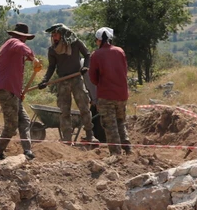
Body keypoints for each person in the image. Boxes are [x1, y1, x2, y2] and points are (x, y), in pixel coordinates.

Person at [36, 24, 93, 144]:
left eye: (55, 34)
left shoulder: (76, 43)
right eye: (52, 35)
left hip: (77, 79)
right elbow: (51, 67)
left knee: (84, 107)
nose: (54, 37)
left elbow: (87, 55)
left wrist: (85, 67)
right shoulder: (52, 50)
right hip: (62, 81)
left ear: (63, 35)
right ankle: (67, 139)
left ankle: (89, 135)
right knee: (64, 111)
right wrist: (45, 80)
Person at [0, 22, 41, 160]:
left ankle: (27, 151)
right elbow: (21, 47)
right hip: (6, 90)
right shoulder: (13, 42)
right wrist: (33, 57)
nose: (24, 40)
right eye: (24, 37)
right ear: (21, 36)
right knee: (11, 125)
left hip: (12, 91)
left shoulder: (13, 49)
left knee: (24, 120)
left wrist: (19, 94)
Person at [87, 26, 130, 155]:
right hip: (122, 94)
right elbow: (125, 71)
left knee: (110, 126)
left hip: (106, 95)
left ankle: (116, 154)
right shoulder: (120, 51)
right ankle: (126, 144)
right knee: (120, 121)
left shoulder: (96, 55)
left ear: (99, 40)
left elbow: (93, 78)